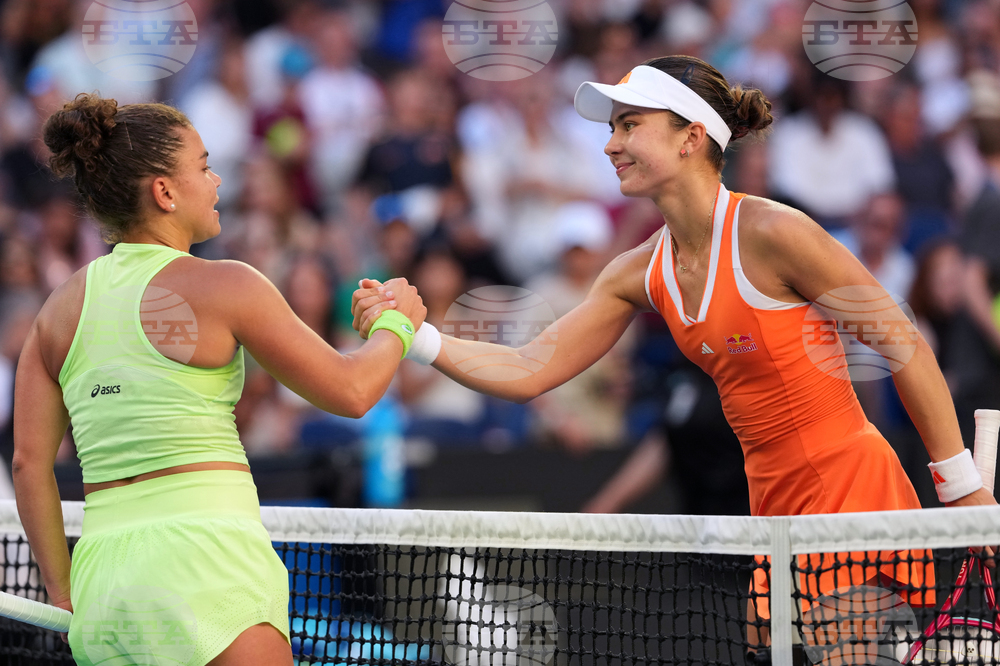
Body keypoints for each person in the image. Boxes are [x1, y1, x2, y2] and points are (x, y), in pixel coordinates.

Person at [353, 55, 995, 658]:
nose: (610, 144)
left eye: (630, 125)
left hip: (850, 494)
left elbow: (900, 340)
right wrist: (419, 336)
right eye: (612, 128)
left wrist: (960, 484)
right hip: (769, 511)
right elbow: (530, 370)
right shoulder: (637, 271)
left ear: (690, 138)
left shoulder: (775, 232)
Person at [12, 94, 425, 666]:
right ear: (164, 192)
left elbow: (29, 466)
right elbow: (353, 392)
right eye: (204, 166)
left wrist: (63, 592)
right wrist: (399, 325)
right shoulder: (227, 284)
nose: (218, 180)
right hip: (209, 564)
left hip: (105, 587)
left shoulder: (55, 311)